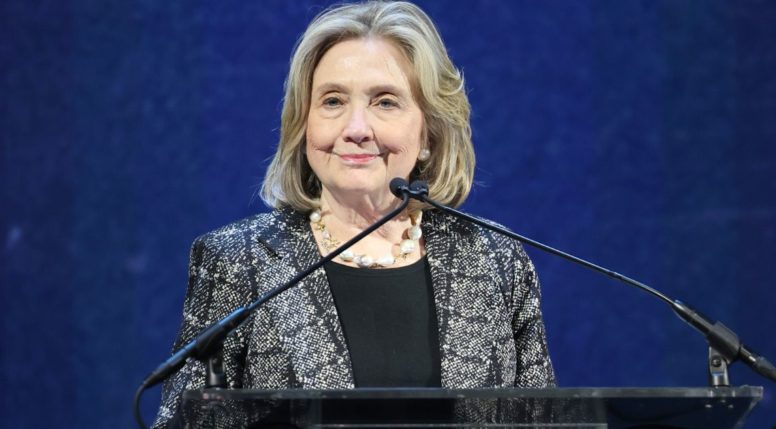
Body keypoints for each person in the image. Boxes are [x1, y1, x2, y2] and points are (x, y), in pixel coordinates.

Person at [153, 1, 556, 427]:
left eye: (384, 102)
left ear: (428, 134)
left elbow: (545, 420)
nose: (355, 128)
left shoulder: (496, 261)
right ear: (303, 125)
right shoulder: (238, 262)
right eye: (332, 101)